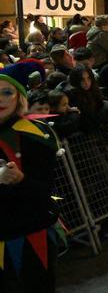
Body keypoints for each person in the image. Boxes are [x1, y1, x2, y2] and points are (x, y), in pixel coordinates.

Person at [0, 62, 61, 292]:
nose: (0, 100)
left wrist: (20, 179)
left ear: (19, 98)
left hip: (28, 234)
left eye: (7, 92)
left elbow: (44, 187)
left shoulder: (34, 135)